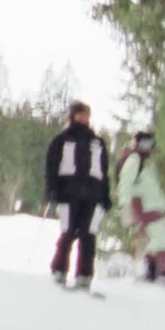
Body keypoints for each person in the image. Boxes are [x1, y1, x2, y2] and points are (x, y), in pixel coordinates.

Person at [44, 100, 112, 291]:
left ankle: (84, 274)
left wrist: (105, 196)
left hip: (92, 195)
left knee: (88, 235)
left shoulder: (97, 143)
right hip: (67, 194)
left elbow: (103, 172)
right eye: (81, 114)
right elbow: (51, 167)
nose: (85, 118)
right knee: (67, 233)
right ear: (73, 115)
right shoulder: (61, 140)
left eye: (87, 115)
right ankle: (59, 269)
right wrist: (52, 190)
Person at [116, 130, 165, 283]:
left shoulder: (146, 164)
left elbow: (154, 190)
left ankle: (151, 273)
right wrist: (125, 206)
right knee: (164, 238)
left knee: (156, 238)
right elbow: (125, 184)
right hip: (144, 205)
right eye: (144, 143)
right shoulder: (134, 160)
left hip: (153, 205)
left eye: (150, 144)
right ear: (136, 143)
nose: (147, 148)